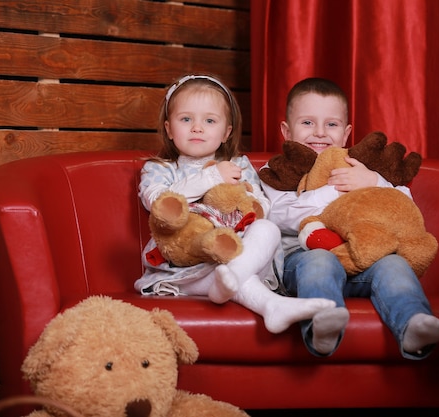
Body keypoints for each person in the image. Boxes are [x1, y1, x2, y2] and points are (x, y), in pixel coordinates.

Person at [261, 77, 439, 356]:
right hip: (299, 264)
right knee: (320, 260)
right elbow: (279, 215)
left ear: (346, 133)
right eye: (308, 123)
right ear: (287, 131)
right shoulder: (276, 170)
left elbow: (403, 208)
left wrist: (373, 181)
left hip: (361, 263)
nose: (320, 133)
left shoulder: (358, 166)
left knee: (394, 264)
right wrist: (333, 189)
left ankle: (413, 324)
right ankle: (322, 325)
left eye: (332, 124)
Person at [135, 74, 335, 334]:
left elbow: (260, 204)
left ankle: (234, 275)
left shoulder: (239, 165)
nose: (197, 127)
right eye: (186, 119)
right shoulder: (160, 169)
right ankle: (271, 305)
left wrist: (248, 203)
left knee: (269, 230)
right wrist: (212, 177)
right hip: (188, 268)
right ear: (169, 129)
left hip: (238, 256)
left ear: (226, 132)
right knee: (226, 277)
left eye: (209, 120)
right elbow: (159, 203)